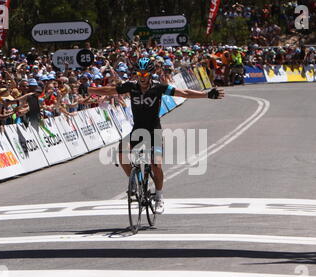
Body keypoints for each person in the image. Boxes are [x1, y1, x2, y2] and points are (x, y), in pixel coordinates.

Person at [88, 57, 224, 215]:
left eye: (145, 74)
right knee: (121, 152)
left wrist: (206, 95)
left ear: (150, 74)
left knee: (156, 164)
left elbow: (184, 93)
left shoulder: (159, 88)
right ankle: (135, 183)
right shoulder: (131, 87)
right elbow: (109, 90)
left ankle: (159, 197)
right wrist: (89, 90)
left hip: (154, 131)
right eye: (139, 73)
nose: (142, 77)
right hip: (137, 130)